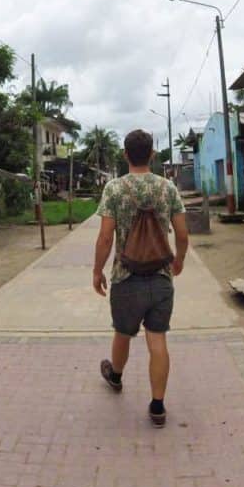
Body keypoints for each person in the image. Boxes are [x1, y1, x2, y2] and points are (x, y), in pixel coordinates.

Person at [93, 129, 188, 427]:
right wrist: (179, 260)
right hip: (160, 276)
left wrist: (97, 270)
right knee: (156, 339)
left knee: (123, 332)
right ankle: (158, 406)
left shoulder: (114, 189)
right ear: (152, 155)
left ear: (125, 155)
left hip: (125, 277)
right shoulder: (167, 188)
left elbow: (106, 237)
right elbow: (183, 234)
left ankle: (116, 376)